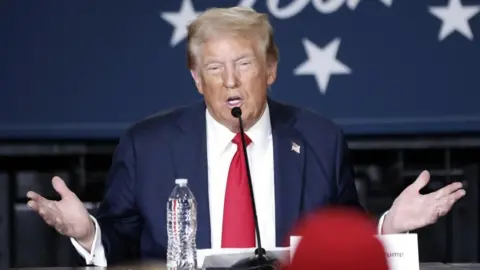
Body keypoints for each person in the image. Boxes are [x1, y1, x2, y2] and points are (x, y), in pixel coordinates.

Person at [26, 6, 466, 267]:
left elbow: (341, 248)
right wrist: (89, 234)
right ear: (197, 79)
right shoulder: (148, 146)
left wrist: (392, 226)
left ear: (271, 69)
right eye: (215, 69)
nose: (230, 82)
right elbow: (122, 247)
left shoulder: (319, 140)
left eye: (245, 65)